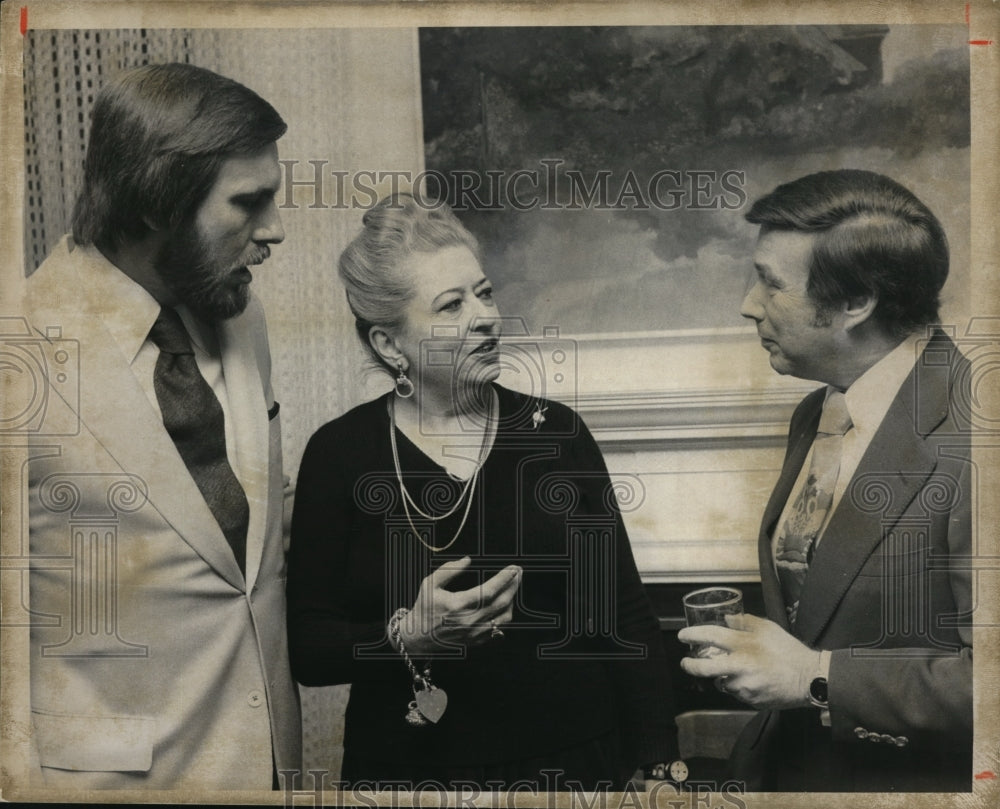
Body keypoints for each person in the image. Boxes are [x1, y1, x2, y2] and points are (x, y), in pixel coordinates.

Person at [287, 194, 679, 791]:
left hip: (572, 770)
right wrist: (407, 637)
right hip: (408, 776)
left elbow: (623, 616)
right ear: (391, 346)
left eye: (485, 293)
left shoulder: (559, 437)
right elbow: (310, 650)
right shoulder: (339, 455)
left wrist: (661, 768)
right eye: (452, 305)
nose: (487, 317)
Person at [25, 63, 301, 789]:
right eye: (249, 202)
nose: (274, 229)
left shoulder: (240, 312)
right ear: (155, 205)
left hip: (273, 772)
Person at [679, 170, 972, 791]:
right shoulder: (820, 410)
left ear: (854, 303)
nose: (747, 303)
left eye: (770, 283)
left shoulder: (978, 439)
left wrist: (817, 679)